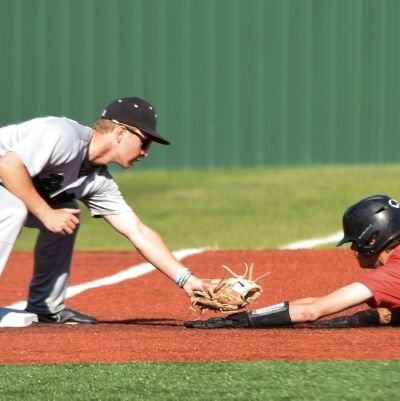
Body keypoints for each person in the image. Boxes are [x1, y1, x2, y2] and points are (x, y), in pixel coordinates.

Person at [0, 96, 204, 326]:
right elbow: (8, 166)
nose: (146, 152)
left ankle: (46, 308)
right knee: (16, 209)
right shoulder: (62, 134)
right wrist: (46, 214)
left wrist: (188, 281)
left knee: (66, 213)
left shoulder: (98, 180)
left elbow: (137, 231)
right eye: (145, 141)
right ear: (121, 133)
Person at [185, 194, 400, 329]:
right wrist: (370, 317)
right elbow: (318, 300)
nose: (352, 250)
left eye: (354, 242)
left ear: (372, 239)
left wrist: (240, 320)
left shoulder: (390, 274)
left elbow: (312, 310)